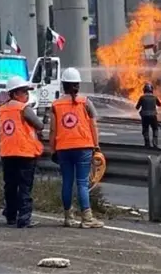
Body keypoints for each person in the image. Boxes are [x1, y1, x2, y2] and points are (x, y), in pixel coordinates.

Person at [50, 67, 103, 229]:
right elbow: (93, 124)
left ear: (63, 85)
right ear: (78, 85)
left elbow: (53, 130)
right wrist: (96, 145)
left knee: (67, 181)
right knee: (82, 182)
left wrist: (53, 150)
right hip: (83, 147)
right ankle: (86, 218)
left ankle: (68, 217)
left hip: (63, 148)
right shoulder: (85, 102)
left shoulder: (56, 105)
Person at [0, 76, 44, 228]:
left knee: (10, 186)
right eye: (24, 92)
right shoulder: (24, 108)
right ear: (15, 93)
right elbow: (39, 125)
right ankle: (24, 218)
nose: (27, 95)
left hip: (7, 153)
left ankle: (10, 215)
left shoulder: (1, 110)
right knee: (24, 186)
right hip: (25, 153)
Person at [136, 82, 161, 147]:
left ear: (144, 90)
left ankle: (147, 144)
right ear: (151, 90)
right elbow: (159, 104)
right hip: (153, 116)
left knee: (145, 129)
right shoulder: (155, 97)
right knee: (155, 129)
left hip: (145, 116)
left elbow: (137, 107)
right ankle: (155, 143)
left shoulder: (142, 97)